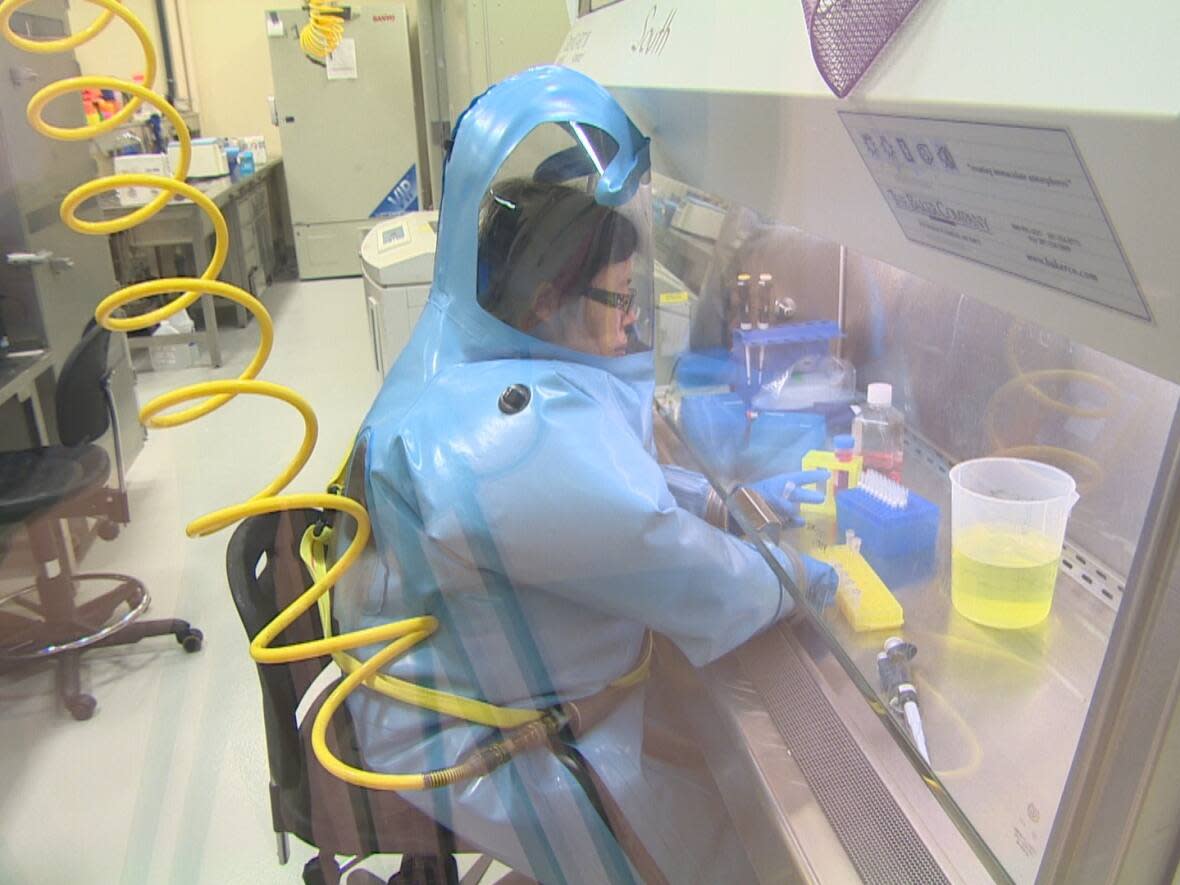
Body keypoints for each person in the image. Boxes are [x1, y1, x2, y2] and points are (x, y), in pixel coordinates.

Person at [330, 66, 835, 884]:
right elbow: (656, 551)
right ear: (548, 301)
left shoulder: (478, 363)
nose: (634, 319)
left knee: (695, 763)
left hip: (463, 676)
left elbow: (604, 496)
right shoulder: (507, 439)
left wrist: (714, 496)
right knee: (727, 852)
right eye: (619, 298)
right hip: (470, 733)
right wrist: (791, 578)